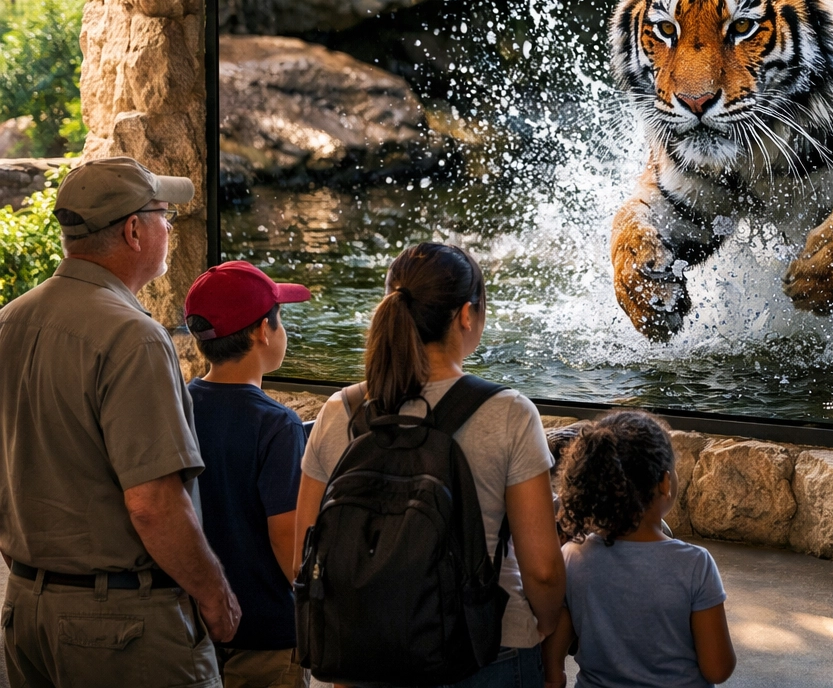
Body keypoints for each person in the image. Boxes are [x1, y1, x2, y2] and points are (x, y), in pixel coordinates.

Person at [0, 156, 239, 688]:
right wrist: (214, 594)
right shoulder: (133, 337)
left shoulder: (8, 321)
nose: (170, 228)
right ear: (134, 230)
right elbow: (153, 504)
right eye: (164, 216)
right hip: (122, 629)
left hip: (25, 611)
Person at [294, 242, 564, 686]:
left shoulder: (340, 410)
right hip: (486, 650)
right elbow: (543, 571)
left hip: (365, 651)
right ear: (465, 315)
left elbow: (303, 557)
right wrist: (548, 625)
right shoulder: (509, 413)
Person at [183, 261, 313, 688]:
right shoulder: (277, 424)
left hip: (194, 624)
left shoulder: (179, 406)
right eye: (280, 319)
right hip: (266, 632)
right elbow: (285, 538)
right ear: (263, 331)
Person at [542, 410, 736, 688]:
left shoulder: (573, 557)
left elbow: (554, 656)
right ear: (665, 483)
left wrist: (555, 676)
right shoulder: (695, 564)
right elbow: (718, 669)